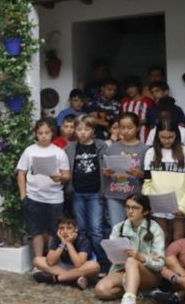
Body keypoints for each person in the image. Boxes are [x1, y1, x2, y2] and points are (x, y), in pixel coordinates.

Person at [94, 193, 164, 304]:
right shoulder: (118, 228)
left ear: (146, 211)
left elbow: (160, 263)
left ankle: (129, 303)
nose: (130, 211)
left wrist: (142, 257)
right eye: (127, 207)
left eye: (135, 208)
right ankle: (135, 290)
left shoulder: (155, 229)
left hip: (149, 274)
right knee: (101, 290)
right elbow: (113, 256)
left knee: (132, 261)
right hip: (123, 271)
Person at [18, 118, 71, 261]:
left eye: (47, 132)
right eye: (40, 133)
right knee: (36, 230)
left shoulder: (59, 152)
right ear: (36, 134)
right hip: (34, 197)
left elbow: (67, 175)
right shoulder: (29, 151)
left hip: (54, 198)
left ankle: (52, 260)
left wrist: (59, 177)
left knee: (54, 231)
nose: (43, 136)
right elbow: (21, 173)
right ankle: (39, 260)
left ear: (52, 133)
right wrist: (23, 196)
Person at [142, 119, 185, 244]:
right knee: (162, 239)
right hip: (158, 205)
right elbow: (147, 181)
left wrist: (184, 206)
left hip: (180, 204)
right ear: (157, 136)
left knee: (179, 239)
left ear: (176, 135)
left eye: (170, 137)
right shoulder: (151, 153)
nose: (167, 140)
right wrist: (149, 202)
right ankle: (162, 264)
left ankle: (176, 264)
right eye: (163, 137)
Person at [64, 115, 107, 268]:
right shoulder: (69, 148)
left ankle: (102, 262)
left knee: (96, 229)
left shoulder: (101, 145)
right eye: (79, 129)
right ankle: (84, 260)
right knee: (81, 229)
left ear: (93, 131)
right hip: (77, 193)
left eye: (87, 129)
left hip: (96, 193)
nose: (82, 132)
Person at [102, 112, 148, 230]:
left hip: (135, 196)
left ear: (137, 128)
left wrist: (138, 173)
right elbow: (105, 170)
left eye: (130, 127)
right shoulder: (112, 148)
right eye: (122, 127)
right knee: (117, 228)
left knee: (134, 228)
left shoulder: (144, 149)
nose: (126, 131)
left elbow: (148, 175)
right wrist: (107, 172)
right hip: (114, 193)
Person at [32, 215, 101, 289]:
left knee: (94, 266)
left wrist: (69, 243)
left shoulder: (83, 239)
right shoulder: (58, 238)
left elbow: (79, 264)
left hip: (81, 268)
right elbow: (50, 262)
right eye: (62, 228)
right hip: (63, 267)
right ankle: (73, 279)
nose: (65, 231)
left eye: (69, 228)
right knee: (37, 260)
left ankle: (57, 278)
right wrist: (62, 244)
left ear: (76, 229)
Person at [152, 213, 185, 304]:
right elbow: (167, 265)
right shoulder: (178, 245)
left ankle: (180, 295)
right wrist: (184, 280)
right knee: (167, 265)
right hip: (180, 280)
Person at [120, 76, 154, 142]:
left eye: (132, 87)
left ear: (138, 87)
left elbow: (151, 118)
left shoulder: (147, 101)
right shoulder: (124, 101)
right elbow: (121, 116)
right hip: (126, 133)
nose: (129, 90)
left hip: (144, 134)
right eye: (127, 88)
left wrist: (135, 122)